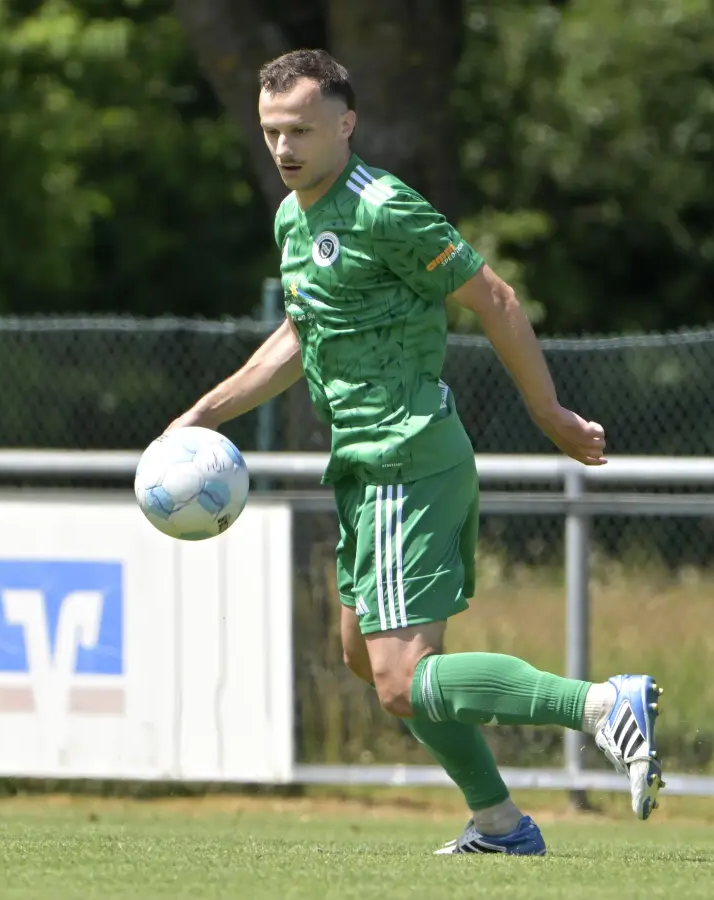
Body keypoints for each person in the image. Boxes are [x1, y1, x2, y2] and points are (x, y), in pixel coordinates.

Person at [166, 48, 665, 855]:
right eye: (270, 132)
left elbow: (494, 297)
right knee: (364, 658)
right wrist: (203, 415)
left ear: (346, 123)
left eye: (299, 129)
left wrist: (550, 412)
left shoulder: (383, 207)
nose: (283, 148)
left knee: (403, 678)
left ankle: (604, 706)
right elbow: (301, 334)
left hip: (406, 456)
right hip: (362, 468)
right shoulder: (294, 218)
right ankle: (500, 824)